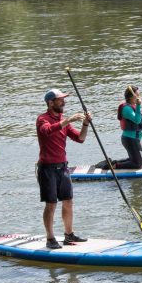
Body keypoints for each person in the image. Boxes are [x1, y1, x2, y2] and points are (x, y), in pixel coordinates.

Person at [37, 88, 91, 249]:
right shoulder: (42, 119)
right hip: (47, 169)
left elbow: (80, 138)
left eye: (63, 99)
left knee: (68, 202)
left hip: (63, 168)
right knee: (51, 204)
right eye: (60, 100)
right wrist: (67, 121)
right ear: (50, 102)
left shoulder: (62, 120)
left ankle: (69, 235)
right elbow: (47, 131)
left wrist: (85, 123)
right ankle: (50, 238)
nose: (64, 102)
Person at [110, 85, 142, 170]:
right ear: (131, 97)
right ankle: (116, 166)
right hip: (129, 139)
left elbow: (138, 120)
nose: (139, 97)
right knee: (138, 164)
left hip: (135, 138)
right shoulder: (126, 109)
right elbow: (136, 120)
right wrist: (139, 105)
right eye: (138, 95)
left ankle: (113, 163)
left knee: (140, 161)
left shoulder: (134, 106)